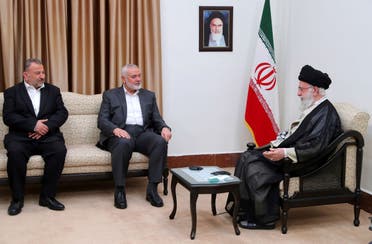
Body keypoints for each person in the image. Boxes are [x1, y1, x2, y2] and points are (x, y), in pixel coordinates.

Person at [226, 65, 343, 229]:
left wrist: (284, 152)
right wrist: (280, 144)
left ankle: (265, 219)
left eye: (301, 89)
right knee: (247, 156)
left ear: (315, 90)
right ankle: (243, 210)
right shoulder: (314, 108)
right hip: (296, 155)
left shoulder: (326, 114)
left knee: (255, 166)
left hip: (306, 162)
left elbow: (316, 147)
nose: (298, 93)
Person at [97, 64, 172, 209]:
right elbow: (102, 120)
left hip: (142, 133)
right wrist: (115, 129)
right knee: (123, 143)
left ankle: (152, 189)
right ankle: (119, 190)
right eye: (134, 76)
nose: (138, 79)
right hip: (121, 133)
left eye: (139, 75)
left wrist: (164, 127)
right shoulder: (110, 95)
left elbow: (157, 119)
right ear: (124, 79)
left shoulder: (149, 95)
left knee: (159, 141)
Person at [3, 58, 68, 216]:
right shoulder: (12, 92)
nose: (42, 76)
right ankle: (17, 199)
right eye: (37, 73)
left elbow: (62, 113)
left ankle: (47, 196)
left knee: (59, 150)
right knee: (15, 153)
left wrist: (45, 127)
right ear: (26, 75)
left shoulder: (53, 91)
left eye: (43, 72)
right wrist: (33, 125)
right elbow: (9, 116)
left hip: (48, 136)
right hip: (21, 137)